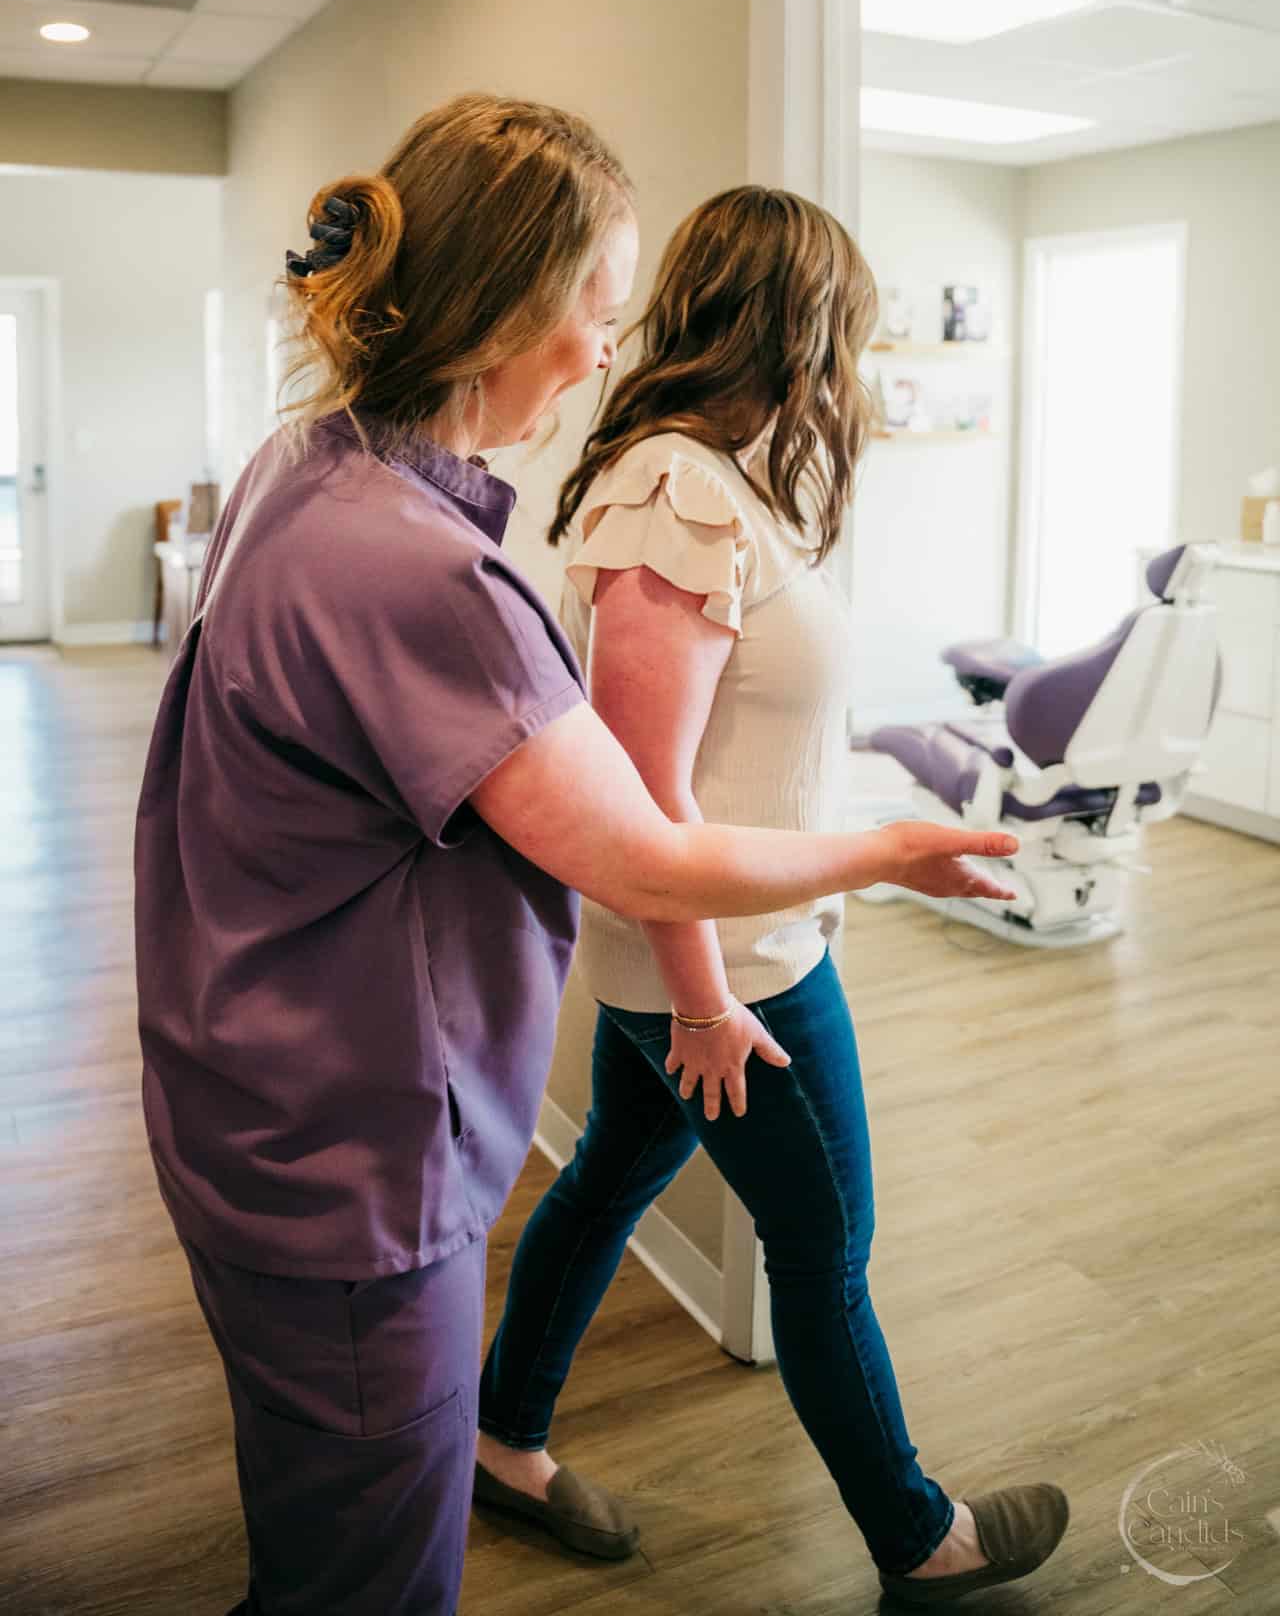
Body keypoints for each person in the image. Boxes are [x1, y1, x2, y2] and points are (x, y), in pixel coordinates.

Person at [134, 98, 1025, 1616]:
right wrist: (883, 847)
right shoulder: (410, 566)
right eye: (595, 313)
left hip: (261, 1103)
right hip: (344, 1160)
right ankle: (908, 1538)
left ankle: (509, 1436)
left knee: (327, 1514)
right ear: (501, 314)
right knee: (365, 1576)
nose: (609, 348)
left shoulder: (309, 462)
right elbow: (640, 850)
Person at [473, 186, 1070, 1608]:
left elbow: (738, 756)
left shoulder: (708, 481)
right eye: (843, 335)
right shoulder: (675, 487)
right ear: (793, 324)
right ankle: (922, 1539)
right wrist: (708, 1002)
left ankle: (499, 1436)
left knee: (611, 1171)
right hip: (731, 968)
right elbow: (644, 792)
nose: (850, 369)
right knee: (824, 1249)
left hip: (707, 951)